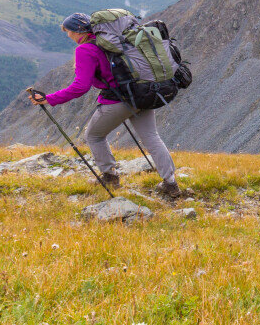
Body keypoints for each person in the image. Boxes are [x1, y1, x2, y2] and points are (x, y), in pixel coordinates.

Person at [30, 13, 180, 198]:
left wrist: (50, 99)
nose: (68, 36)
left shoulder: (85, 50)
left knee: (94, 135)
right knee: (151, 137)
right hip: (143, 93)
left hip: (119, 101)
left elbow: (80, 87)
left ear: (79, 31)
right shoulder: (113, 40)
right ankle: (171, 184)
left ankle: (110, 177)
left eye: (68, 31)